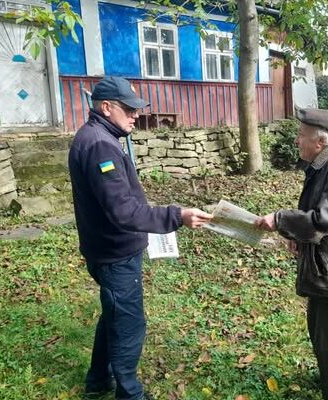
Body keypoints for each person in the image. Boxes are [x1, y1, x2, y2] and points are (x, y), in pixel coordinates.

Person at [68, 76, 213, 400]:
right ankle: (130, 393)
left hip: (109, 249)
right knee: (128, 325)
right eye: (129, 109)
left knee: (114, 313)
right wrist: (178, 216)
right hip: (114, 254)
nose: (136, 115)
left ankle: (97, 382)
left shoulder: (99, 136)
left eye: (137, 109)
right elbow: (124, 212)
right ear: (106, 107)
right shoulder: (100, 145)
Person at [255, 108, 328, 400]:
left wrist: (281, 220)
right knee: (324, 335)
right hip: (327, 270)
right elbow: (316, 218)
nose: (297, 141)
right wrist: (300, 237)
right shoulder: (323, 165)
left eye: (301, 135)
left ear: (320, 142)